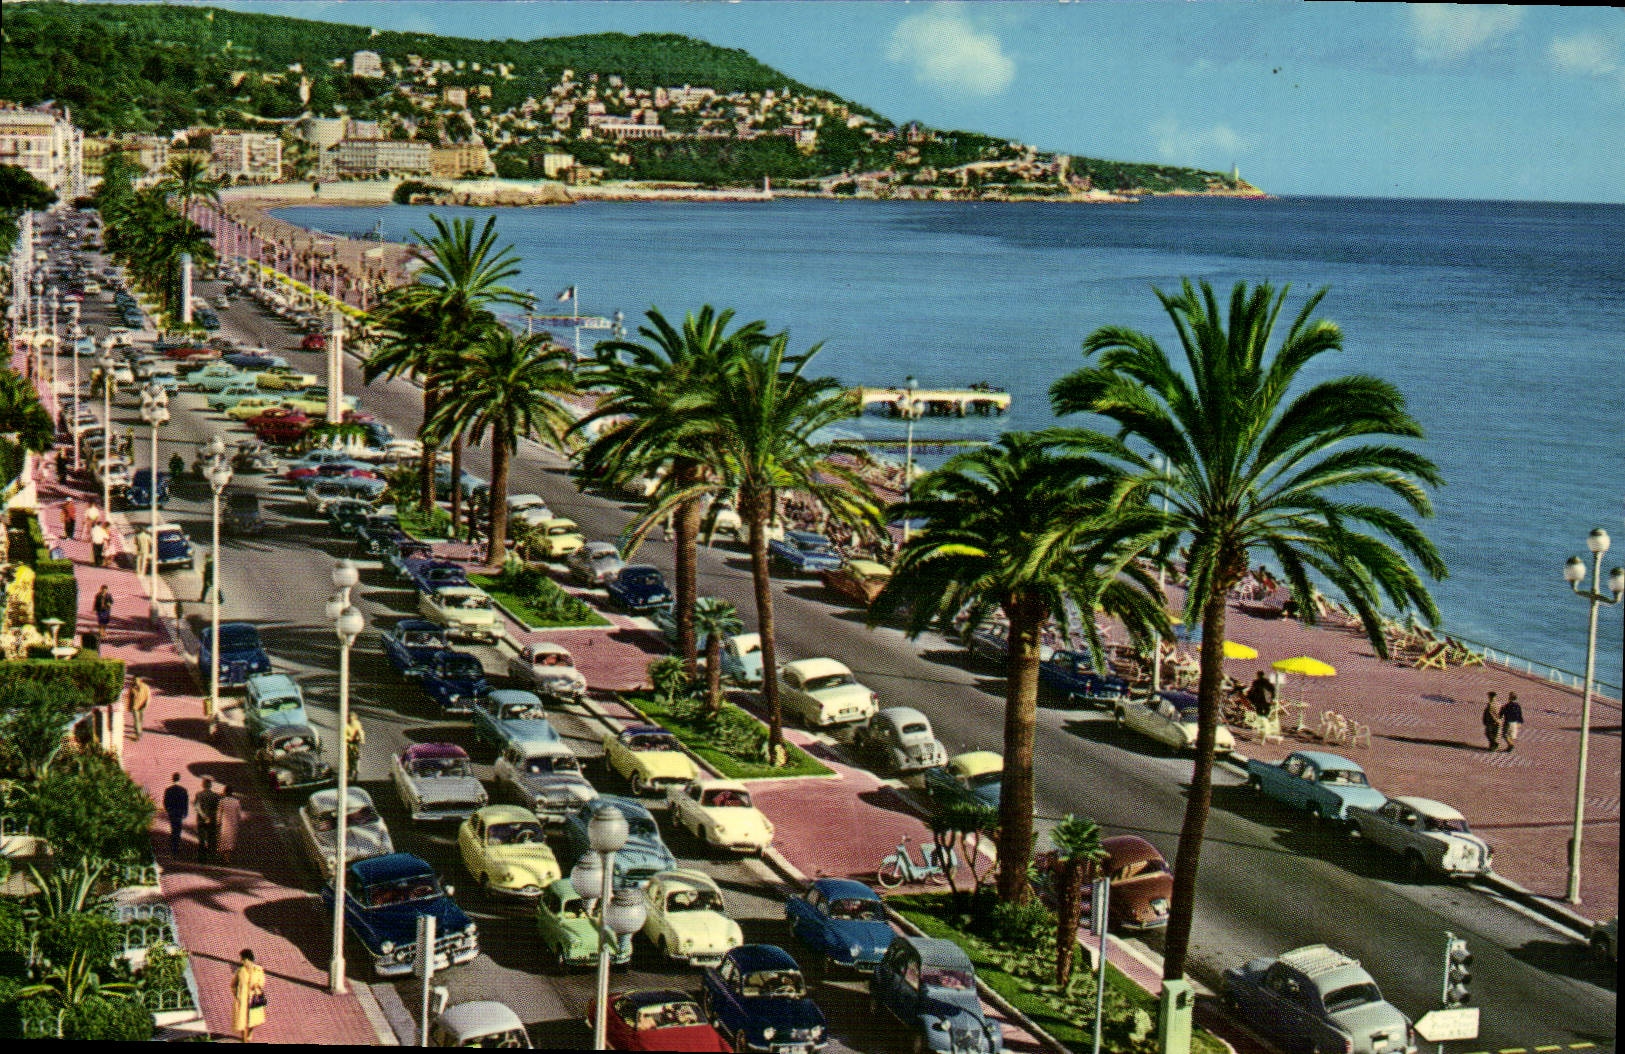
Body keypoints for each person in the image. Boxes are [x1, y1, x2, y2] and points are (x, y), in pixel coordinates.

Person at [231, 948, 266, 1043]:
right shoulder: (240, 971)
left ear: (248, 959)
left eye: (243, 959)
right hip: (242, 1000)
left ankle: (249, 1036)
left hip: (254, 999)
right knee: (243, 1021)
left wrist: (256, 985)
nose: (242, 961)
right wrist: (236, 995)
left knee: (252, 1021)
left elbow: (262, 982)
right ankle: (244, 1040)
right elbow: (233, 985)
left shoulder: (258, 970)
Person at [194, 777, 220, 863]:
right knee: (211, 839)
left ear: (203, 785)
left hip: (201, 820)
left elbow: (196, 807)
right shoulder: (216, 796)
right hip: (212, 820)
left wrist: (203, 815)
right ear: (211, 785)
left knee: (201, 839)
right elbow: (217, 809)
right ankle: (211, 858)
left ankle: (201, 858)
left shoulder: (198, 795)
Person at [163, 773, 189, 856]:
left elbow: (165, 802)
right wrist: (185, 812)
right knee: (178, 829)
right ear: (179, 779)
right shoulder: (183, 790)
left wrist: (168, 810)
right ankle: (176, 847)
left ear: (172, 779)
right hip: (180, 813)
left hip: (172, 812)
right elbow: (185, 802)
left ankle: (173, 847)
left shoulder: (168, 790)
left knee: (173, 828)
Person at [215, 785, 242, 865]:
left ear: (225, 792)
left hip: (224, 823)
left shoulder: (222, 801)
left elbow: (219, 813)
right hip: (233, 823)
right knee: (231, 840)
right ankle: (227, 857)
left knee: (223, 839)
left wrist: (218, 822)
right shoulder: (236, 802)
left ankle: (223, 857)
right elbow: (239, 814)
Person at [127, 675, 150, 740]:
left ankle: (139, 730)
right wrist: (129, 707)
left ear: (140, 680)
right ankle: (138, 735)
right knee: (136, 720)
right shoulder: (132, 688)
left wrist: (145, 705)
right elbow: (130, 698)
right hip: (135, 706)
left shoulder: (145, 687)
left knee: (140, 720)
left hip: (142, 706)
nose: (135, 681)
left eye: (136, 680)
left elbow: (148, 697)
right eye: (134, 680)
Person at [344, 711, 365, 782]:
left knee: (356, 756)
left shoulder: (357, 724)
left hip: (355, 743)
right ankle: (350, 770)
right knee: (349, 758)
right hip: (348, 744)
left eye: (351, 716)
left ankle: (355, 769)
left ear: (354, 717)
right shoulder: (346, 725)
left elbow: (360, 732)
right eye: (349, 716)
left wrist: (361, 739)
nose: (350, 718)